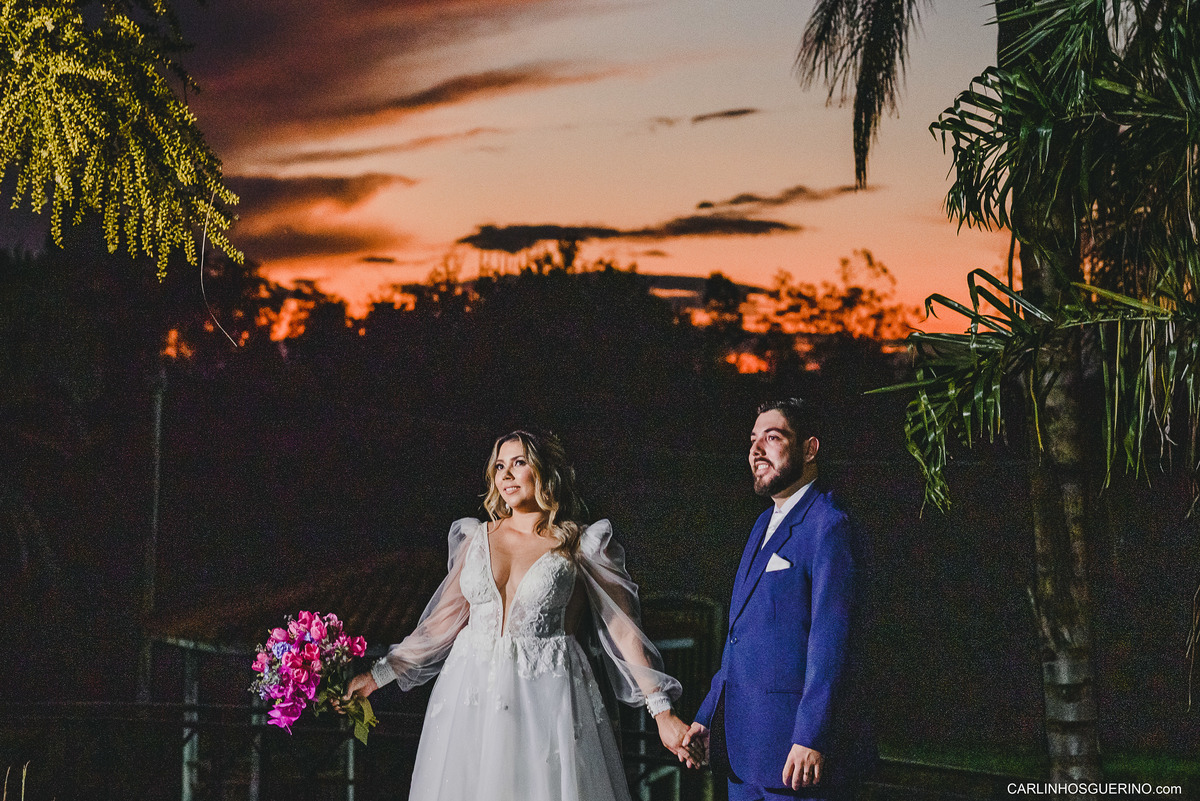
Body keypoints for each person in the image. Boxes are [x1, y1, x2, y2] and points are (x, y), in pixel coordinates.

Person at [342, 429, 696, 801]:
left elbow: (622, 630)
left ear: (544, 472)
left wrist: (662, 713)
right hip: (471, 694)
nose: (506, 475)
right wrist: (377, 676)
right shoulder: (475, 538)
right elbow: (440, 623)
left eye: (519, 463)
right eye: (499, 466)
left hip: (547, 696)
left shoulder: (579, 543)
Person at [683, 398, 875, 800]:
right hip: (741, 751)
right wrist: (708, 715)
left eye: (772, 438)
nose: (756, 450)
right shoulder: (761, 523)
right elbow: (740, 636)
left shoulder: (828, 524)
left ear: (809, 448)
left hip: (793, 756)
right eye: (753, 440)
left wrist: (811, 735)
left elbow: (832, 642)